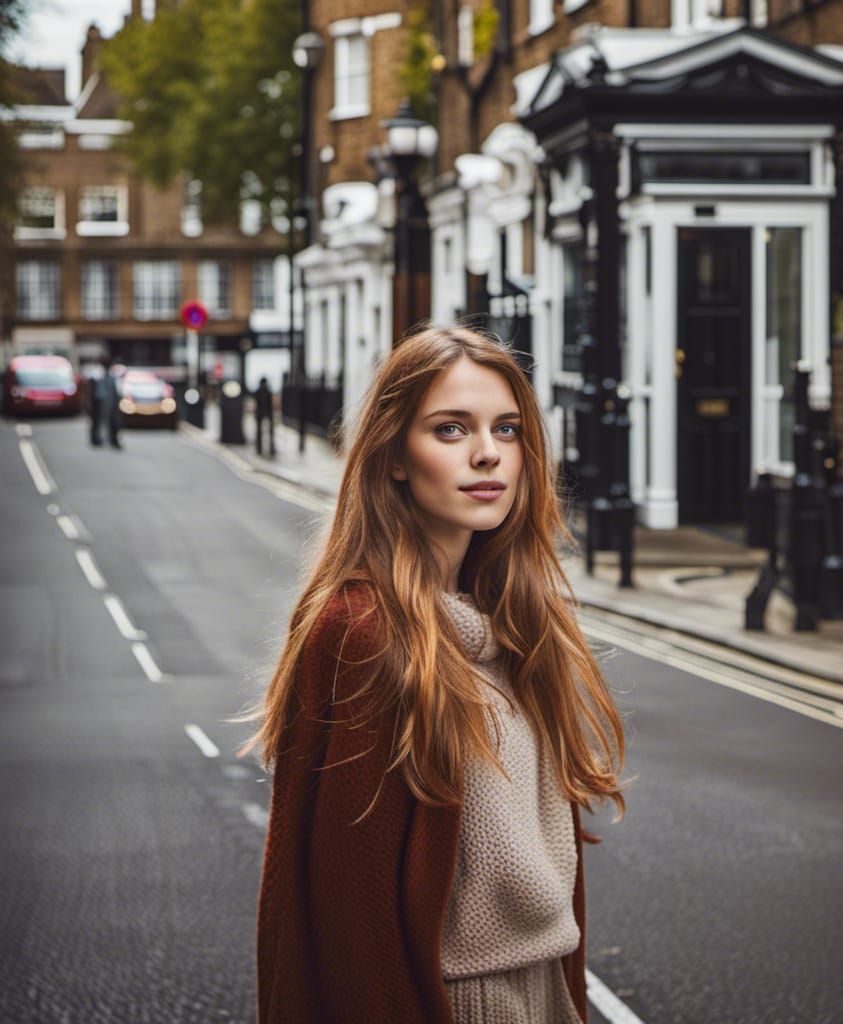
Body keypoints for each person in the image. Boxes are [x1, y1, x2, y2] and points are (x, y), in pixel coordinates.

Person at [241, 326, 627, 1023]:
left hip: (543, 995)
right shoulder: (364, 631)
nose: (487, 453)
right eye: (451, 429)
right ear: (393, 455)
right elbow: (347, 915)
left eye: (506, 429)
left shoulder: (512, 624)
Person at [89, 354, 121, 449]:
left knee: (112, 421)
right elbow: (93, 389)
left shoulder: (111, 374)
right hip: (99, 401)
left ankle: (112, 439)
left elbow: (115, 390)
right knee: (98, 421)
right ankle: (97, 439)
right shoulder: (97, 373)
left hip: (109, 401)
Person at [254, 376, 276, 457]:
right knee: (264, 432)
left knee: (263, 432)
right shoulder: (267, 391)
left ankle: (263, 449)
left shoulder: (260, 392)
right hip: (265, 413)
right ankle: (267, 449)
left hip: (263, 413)